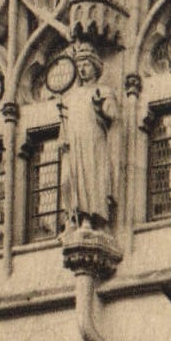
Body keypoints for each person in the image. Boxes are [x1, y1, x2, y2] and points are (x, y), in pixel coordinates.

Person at [59, 46, 118, 231]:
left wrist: (101, 107)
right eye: (79, 66)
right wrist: (63, 137)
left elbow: (113, 115)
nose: (83, 69)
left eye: (86, 65)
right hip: (74, 141)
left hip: (93, 139)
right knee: (68, 178)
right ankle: (74, 216)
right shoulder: (71, 96)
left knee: (91, 176)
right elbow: (65, 121)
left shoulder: (104, 90)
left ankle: (90, 218)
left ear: (95, 67)